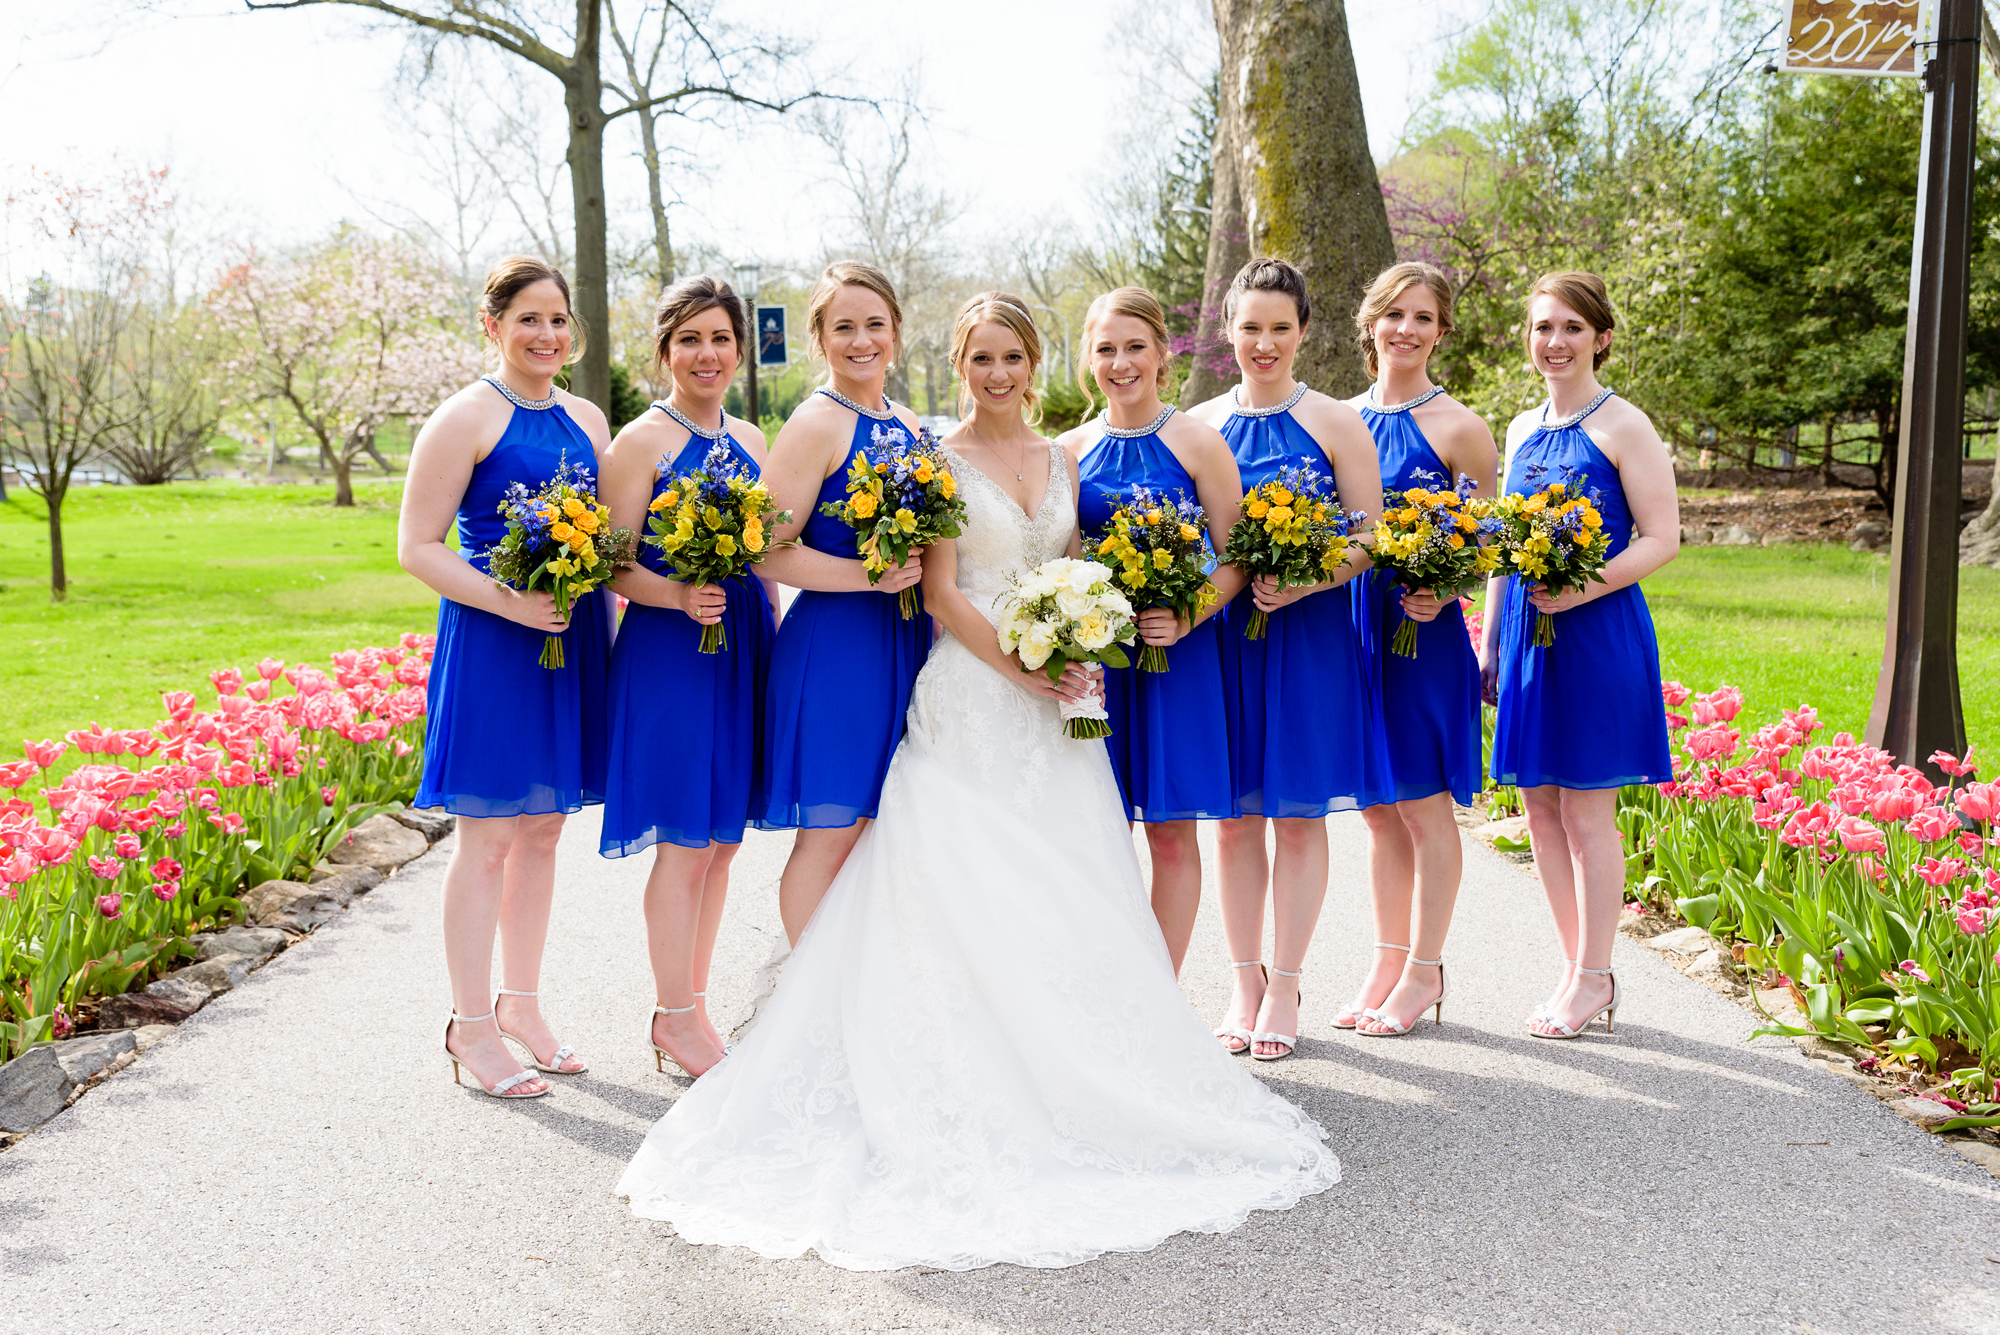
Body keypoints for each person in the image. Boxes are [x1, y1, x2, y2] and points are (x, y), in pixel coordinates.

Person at [617, 292, 1337, 1272]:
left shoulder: (1067, 462)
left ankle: (1075, 1058)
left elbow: (1075, 569)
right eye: (979, 358)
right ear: (958, 364)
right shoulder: (932, 459)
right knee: (946, 871)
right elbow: (944, 591)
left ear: (1036, 363)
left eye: (1010, 357)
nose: (995, 374)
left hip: (1060, 704)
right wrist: (1022, 667)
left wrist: (1082, 646)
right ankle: (881, 1045)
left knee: (1064, 877)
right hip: (972, 687)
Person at [400, 256, 609, 1099]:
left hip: (569, 635)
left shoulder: (590, 419)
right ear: (493, 325)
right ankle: (470, 1026)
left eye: (559, 319)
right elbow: (417, 546)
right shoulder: (464, 418)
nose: (548, 335)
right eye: (529, 319)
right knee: (486, 836)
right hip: (495, 641)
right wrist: (510, 605)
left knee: (547, 828)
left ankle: (520, 1004)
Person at [1186, 259, 1389, 1061]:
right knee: (1235, 823)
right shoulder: (1200, 424)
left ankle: (1287, 983)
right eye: (1249, 327)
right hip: (1224, 639)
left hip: (1308, 637)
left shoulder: (1339, 423)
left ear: (1304, 330)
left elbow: (1370, 537)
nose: (1263, 343)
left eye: (1280, 327)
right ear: (1227, 331)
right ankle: (1243, 980)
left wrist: (1307, 580)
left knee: (1299, 818)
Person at [1481, 271, 1677, 1040]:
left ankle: (1595, 976)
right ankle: (1575, 968)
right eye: (1541, 328)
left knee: (1588, 807)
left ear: (1600, 337)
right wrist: (1492, 638)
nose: (1554, 342)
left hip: (1597, 631)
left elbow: (1663, 538)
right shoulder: (1522, 427)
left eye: (1569, 328)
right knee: (1539, 802)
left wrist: (1583, 588)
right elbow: (1503, 545)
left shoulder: (1626, 426)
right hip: (1531, 634)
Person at [599, 275, 778, 1078]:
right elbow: (611, 564)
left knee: (723, 842)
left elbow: (767, 556)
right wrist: (674, 593)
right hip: (670, 650)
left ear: (738, 349)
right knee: (682, 841)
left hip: (739, 644)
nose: (707, 354)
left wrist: (770, 645)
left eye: (721, 339)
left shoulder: (752, 437)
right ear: (665, 350)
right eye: (690, 340)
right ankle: (673, 1015)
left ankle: (694, 1007)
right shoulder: (640, 442)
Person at [1059, 287, 1245, 974]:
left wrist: (1187, 613)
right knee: (1101, 836)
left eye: (1134, 346)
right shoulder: (1068, 450)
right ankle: (1108, 987)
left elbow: (1239, 556)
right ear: (1088, 358)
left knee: (1171, 836)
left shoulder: (1199, 441)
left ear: (1163, 353)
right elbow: (1060, 559)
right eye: (1105, 348)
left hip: (1178, 661)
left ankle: (1159, 997)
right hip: (1099, 669)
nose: (1121, 361)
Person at [751, 262, 931, 946]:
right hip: (836, 651)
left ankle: (855, 989)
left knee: (874, 831)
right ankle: (809, 1005)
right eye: (843, 327)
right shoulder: (814, 423)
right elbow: (764, 549)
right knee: (829, 833)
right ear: (819, 339)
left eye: (874, 325)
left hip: (903, 644)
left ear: (896, 333)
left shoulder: (908, 422)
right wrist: (869, 577)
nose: (862, 340)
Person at [1342, 262, 1497, 1037]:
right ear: (1371, 323)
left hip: (1421, 628)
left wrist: (1451, 583)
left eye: (1423, 317)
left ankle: (1426, 967)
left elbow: (1491, 542)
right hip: (1352, 625)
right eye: (1394, 313)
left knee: (1423, 806)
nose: (1406, 329)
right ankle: (1387, 956)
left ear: (1441, 331)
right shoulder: (1337, 419)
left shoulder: (1460, 428)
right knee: (1376, 809)